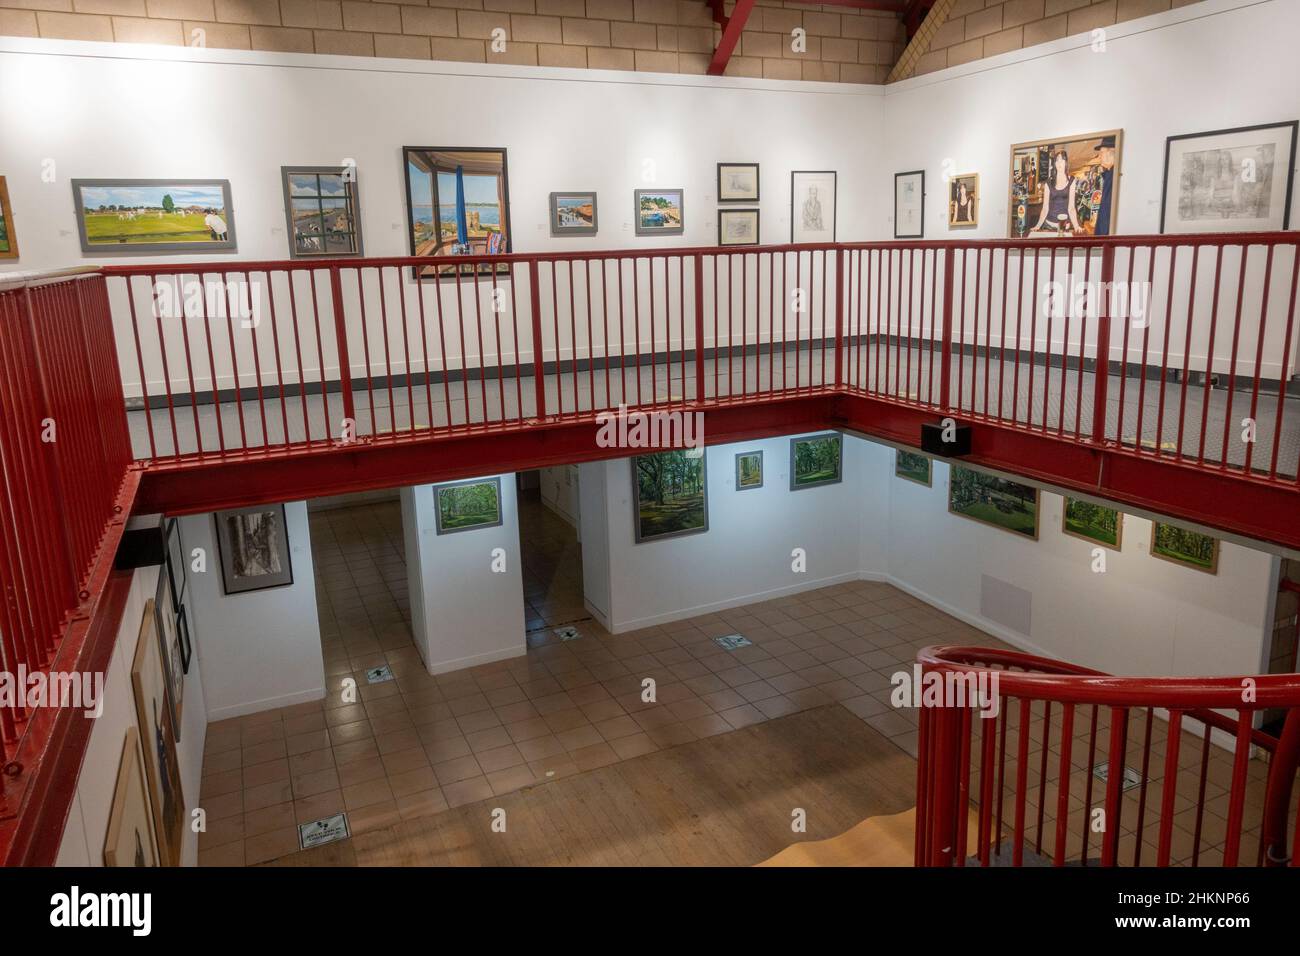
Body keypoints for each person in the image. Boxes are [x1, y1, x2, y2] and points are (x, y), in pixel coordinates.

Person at [1030, 148, 1081, 237]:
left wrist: (1076, 226)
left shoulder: (1071, 181)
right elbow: (1045, 208)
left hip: (1065, 226)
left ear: (1066, 163)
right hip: (1048, 225)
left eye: (1062, 160)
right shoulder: (1049, 182)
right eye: (1057, 160)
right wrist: (1037, 226)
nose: (1059, 163)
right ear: (1055, 164)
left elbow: (1071, 208)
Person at [1092, 135, 1117, 235]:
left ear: (1112, 152)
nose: (1099, 156)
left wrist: (1100, 240)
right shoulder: (1109, 176)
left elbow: (1106, 215)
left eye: (1101, 152)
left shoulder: (1113, 178)